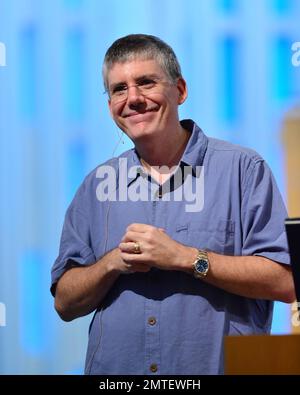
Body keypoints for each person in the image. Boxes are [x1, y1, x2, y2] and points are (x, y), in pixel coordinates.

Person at [51, 34, 295, 375]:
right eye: (119, 89)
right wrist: (111, 264)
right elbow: (64, 302)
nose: (132, 98)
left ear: (180, 90)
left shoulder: (242, 169)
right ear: (110, 105)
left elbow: (285, 281)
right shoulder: (96, 186)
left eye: (146, 82)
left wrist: (185, 258)